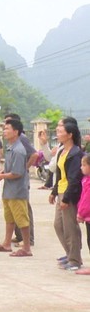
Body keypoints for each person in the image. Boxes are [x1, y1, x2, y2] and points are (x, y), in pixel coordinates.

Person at [0, 119, 32, 257]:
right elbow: (10, 169)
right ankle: (6, 243)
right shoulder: (10, 148)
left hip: (17, 191)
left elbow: (17, 173)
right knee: (9, 218)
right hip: (9, 190)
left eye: (7, 129)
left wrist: (1, 177)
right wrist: (2, 173)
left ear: (16, 131)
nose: (5, 131)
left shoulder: (19, 150)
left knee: (22, 219)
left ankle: (26, 247)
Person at [49, 118, 83, 271]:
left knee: (70, 227)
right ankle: (70, 254)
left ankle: (75, 259)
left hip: (69, 193)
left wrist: (67, 198)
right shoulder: (63, 151)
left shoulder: (76, 153)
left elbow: (75, 178)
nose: (58, 134)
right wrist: (54, 191)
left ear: (69, 135)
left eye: (61, 132)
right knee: (58, 225)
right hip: (61, 190)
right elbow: (60, 174)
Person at [75, 155, 90, 275]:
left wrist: (81, 213)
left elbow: (87, 200)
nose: (82, 167)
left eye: (84, 165)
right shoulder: (85, 179)